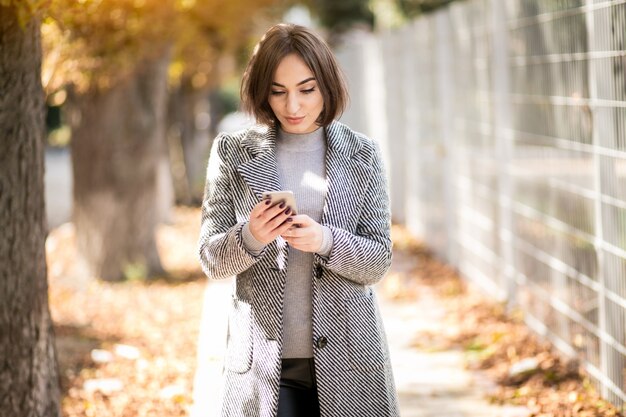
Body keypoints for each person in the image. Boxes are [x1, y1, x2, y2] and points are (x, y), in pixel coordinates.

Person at [198, 23, 399, 417]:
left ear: (327, 85)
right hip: (261, 366)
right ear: (262, 92)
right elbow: (210, 258)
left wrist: (326, 240)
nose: (293, 107)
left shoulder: (363, 154)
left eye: (306, 90)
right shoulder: (232, 153)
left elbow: (379, 259)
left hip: (349, 361)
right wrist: (250, 237)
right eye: (278, 91)